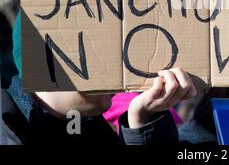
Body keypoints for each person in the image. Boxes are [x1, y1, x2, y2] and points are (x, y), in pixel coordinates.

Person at [1, 11, 196, 145]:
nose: (121, 71)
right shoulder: (8, 129)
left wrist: (143, 121)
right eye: (103, 52)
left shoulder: (91, 131)